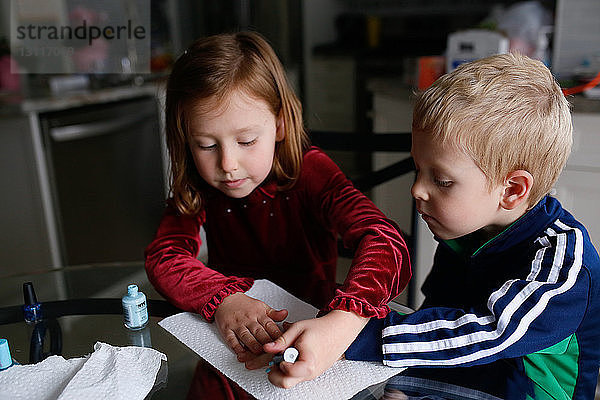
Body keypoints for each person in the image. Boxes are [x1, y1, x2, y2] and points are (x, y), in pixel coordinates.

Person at [267, 53, 600, 398]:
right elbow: (437, 312)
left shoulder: (564, 262)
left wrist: (354, 336)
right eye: (418, 169)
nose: (417, 190)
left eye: (441, 181)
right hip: (475, 370)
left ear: (512, 190)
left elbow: (491, 330)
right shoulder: (466, 228)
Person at [144, 30, 411, 393]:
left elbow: (385, 240)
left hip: (313, 336)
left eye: (247, 141)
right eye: (206, 145)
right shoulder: (197, 182)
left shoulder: (311, 172)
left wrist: (346, 318)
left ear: (281, 124)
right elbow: (165, 256)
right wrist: (224, 299)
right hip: (232, 338)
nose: (228, 164)